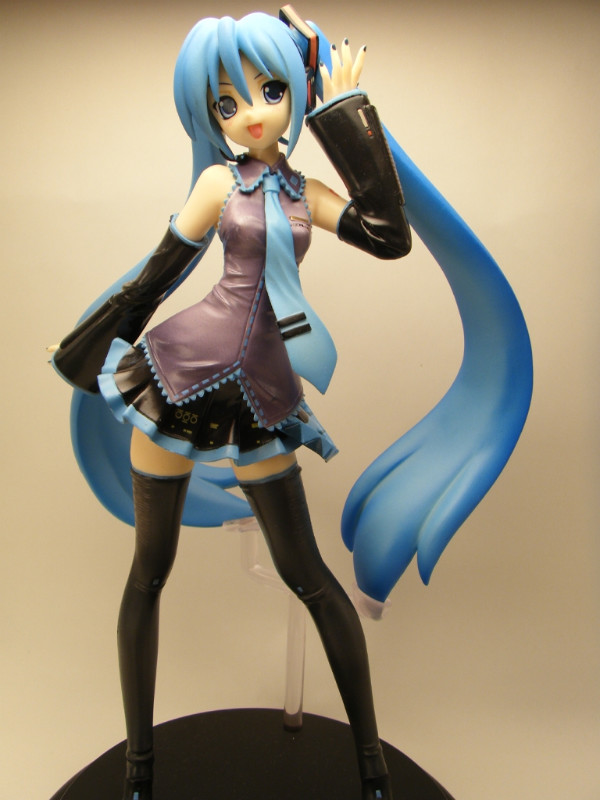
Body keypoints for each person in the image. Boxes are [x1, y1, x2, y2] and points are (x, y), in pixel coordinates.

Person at [52, 9, 412, 800]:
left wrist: (347, 114)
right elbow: (159, 274)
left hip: (264, 395)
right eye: (226, 102)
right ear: (209, 115)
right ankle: (140, 769)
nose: (250, 112)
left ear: (295, 93)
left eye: (269, 90)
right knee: (149, 572)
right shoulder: (219, 184)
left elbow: (390, 234)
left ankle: (371, 764)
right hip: (177, 379)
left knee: (308, 575)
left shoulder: (308, 193)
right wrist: (90, 344)